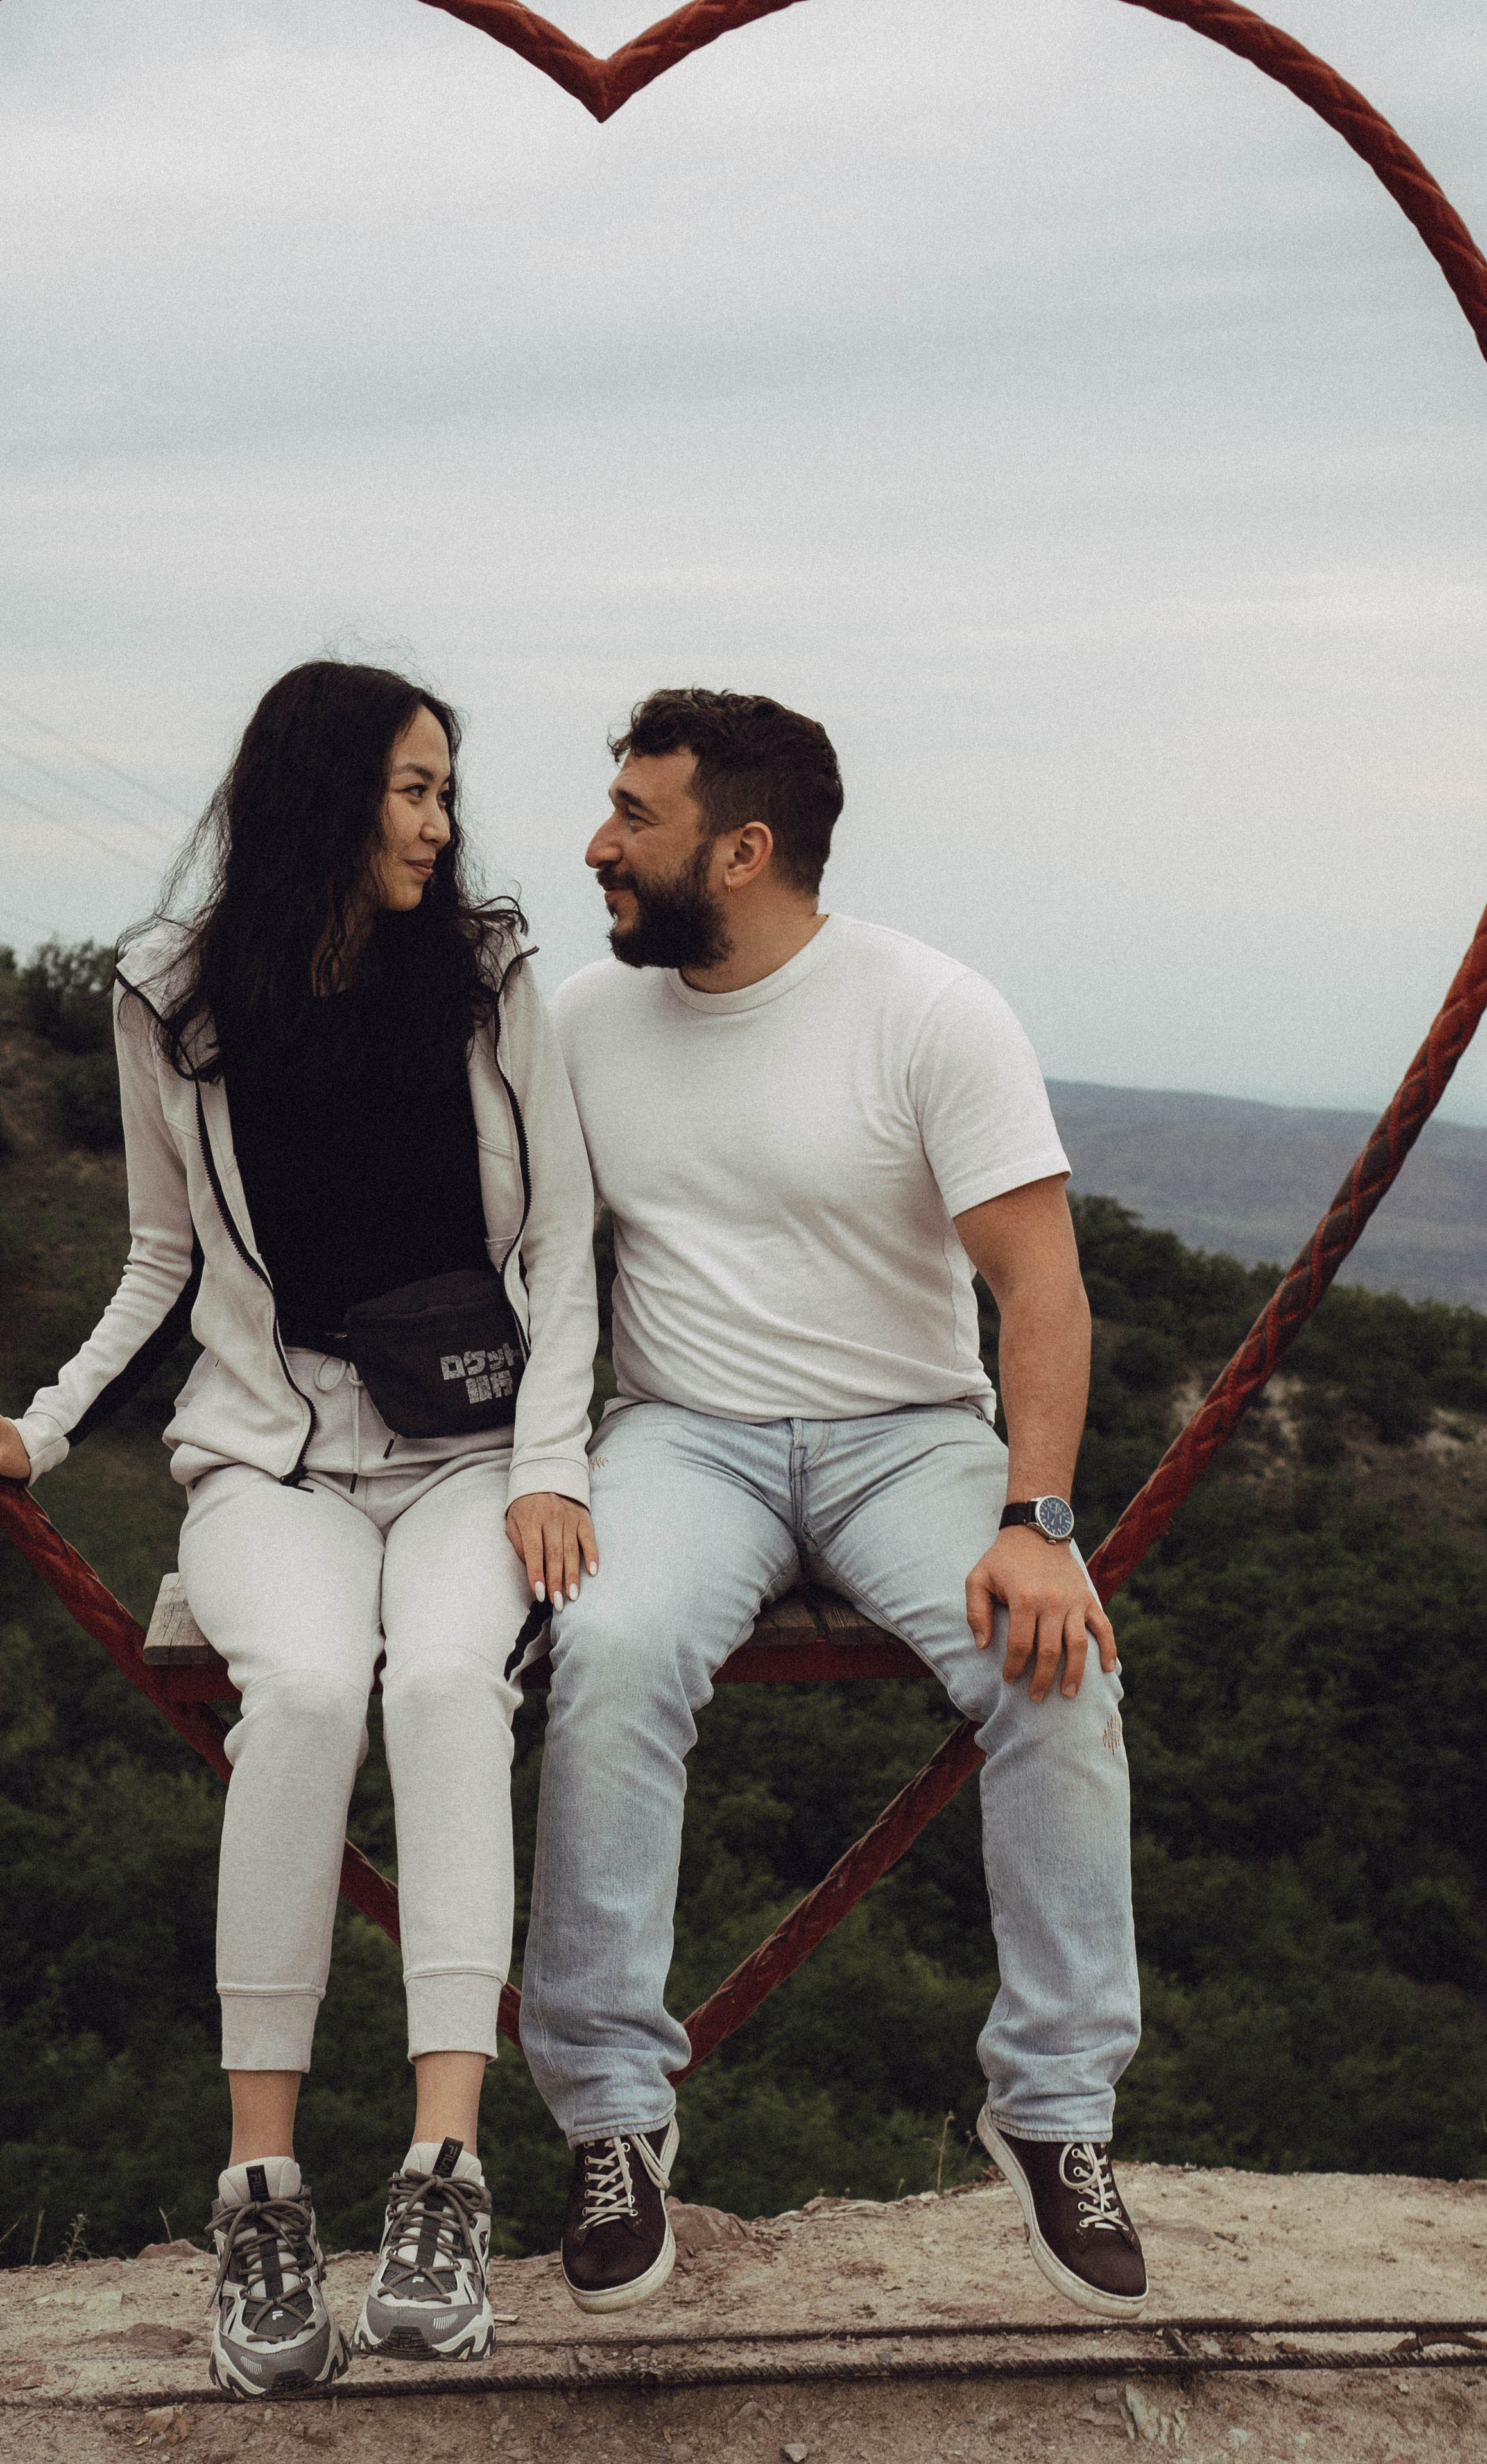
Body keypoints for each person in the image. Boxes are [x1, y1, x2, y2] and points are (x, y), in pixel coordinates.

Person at [0, 662, 599, 2399]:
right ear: (329, 796)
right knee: (314, 1696)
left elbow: (563, 1243)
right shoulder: (172, 997)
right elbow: (159, 1261)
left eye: (445, 791)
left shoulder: (487, 978)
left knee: (442, 1692)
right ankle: (261, 2191)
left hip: (481, 1453)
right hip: (272, 1457)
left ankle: (443, 2182)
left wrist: (554, 1462)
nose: (441, 821)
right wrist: (43, 1425)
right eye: (415, 789)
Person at [522, 687, 1146, 2322]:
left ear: (739, 851)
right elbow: (549, 1273)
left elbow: (1042, 1290)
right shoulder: (584, 1019)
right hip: (683, 1435)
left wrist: (1039, 1518)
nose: (600, 842)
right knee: (606, 1656)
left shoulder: (929, 1011)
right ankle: (609, 2117)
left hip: (905, 1436)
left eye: (634, 818)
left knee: (1055, 1665)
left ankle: (1054, 2113)